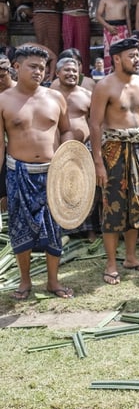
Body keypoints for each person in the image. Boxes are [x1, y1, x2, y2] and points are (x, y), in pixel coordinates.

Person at [0, 45, 74, 300]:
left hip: (52, 172)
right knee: (20, 229)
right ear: (16, 67)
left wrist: (70, 162)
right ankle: (24, 281)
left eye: (42, 68)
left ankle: (53, 282)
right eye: (33, 66)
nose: (38, 72)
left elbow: (66, 131)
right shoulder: (3, 100)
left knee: (54, 228)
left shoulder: (55, 98)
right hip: (17, 172)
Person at [89, 37, 139, 285]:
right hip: (114, 150)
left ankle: (131, 257)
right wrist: (98, 162)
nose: (136, 59)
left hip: (138, 148)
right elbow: (95, 124)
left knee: (137, 203)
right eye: (131, 55)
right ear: (116, 59)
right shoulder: (104, 86)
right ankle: (110, 263)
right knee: (113, 206)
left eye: (137, 54)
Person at [53, 56, 101, 239]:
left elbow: (96, 123)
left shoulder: (87, 95)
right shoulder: (50, 94)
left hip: (85, 147)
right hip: (59, 149)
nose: (71, 74)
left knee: (87, 188)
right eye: (67, 70)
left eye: (74, 70)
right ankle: (64, 229)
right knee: (62, 188)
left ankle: (90, 229)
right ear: (57, 73)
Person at [59, 0, 91, 75]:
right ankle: (68, 71)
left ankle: (84, 74)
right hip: (68, 16)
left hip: (82, 16)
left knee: (83, 46)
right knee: (68, 44)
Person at [96, 0, 132, 73]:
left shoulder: (124, 2)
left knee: (123, 51)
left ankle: (124, 73)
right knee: (110, 52)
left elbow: (128, 19)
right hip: (109, 29)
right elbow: (98, 16)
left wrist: (130, 34)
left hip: (123, 29)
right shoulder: (104, 0)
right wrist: (108, 26)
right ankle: (110, 74)